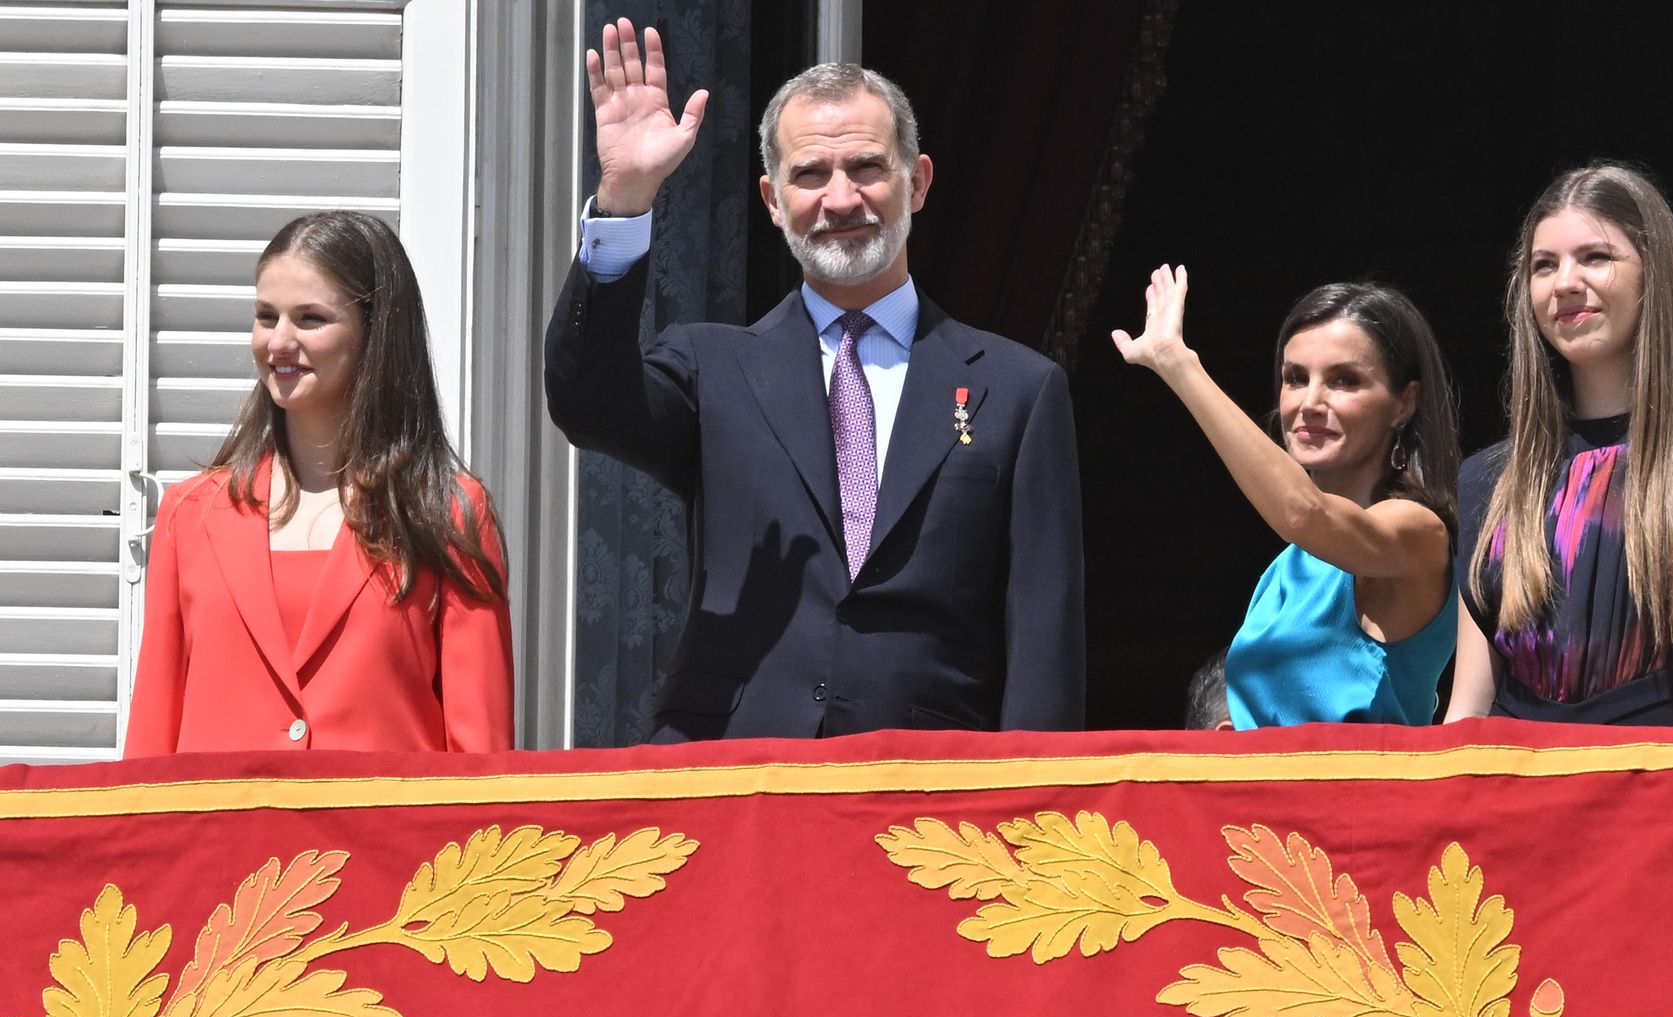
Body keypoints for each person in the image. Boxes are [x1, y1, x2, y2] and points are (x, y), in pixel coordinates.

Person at [544, 21, 1084, 740]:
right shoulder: (713, 367)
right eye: (809, 174)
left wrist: (1029, 813)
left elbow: (1044, 633)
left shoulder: (1018, 389)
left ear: (916, 183)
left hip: (932, 797)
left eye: (865, 167)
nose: (839, 199)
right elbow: (586, 403)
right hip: (735, 777)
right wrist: (625, 201)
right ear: (771, 200)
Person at [126, 211, 513, 755]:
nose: (279, 341)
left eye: (310, 318)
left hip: (385, 840)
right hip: (220, 838)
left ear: (375, 332)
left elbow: (483, 765)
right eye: (266, 316)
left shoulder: (447, 512)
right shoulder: (189, 514)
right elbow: (149, 744)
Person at [1444, 163, 1673, 727]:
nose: (1564, 282)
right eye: (1544, 265)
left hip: (1671, 793)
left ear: (1653, 273)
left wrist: (1648, 797)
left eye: (1595, 257)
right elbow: (1469, 703)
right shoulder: (1489, 479)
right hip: (1519, 797)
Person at [1113, 268, 1460, 727]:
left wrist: (1179, 364)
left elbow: (1305, 512)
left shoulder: (1418, 531)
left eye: (1344, 380)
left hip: (1355, 796)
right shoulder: (1290, 564)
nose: (1309, 402)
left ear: (1405, 403)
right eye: (1296, 378)